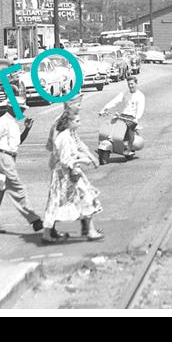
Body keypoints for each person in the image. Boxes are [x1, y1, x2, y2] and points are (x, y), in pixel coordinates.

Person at [42, 98, 104, 243]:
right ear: (69, 105)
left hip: (67, 168)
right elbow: (58, 149)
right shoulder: (60, 125)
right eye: (78, 104)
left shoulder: (70, 126)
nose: (80, 107)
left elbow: (77, 143)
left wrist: (88, 156)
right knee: (64, 199)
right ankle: (87, 230)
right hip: (64, 169)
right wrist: (79, 161)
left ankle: (87, 229)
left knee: (67, 199)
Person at [0, 104, 43, 234]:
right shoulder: (2, 121)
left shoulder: (13, 122)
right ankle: (35, 220)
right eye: (19, 108)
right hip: (3, 157)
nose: (22, 110)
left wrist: (27, 129)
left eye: (23, 108)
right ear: (9, 107)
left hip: (9, 157)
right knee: (18, 188)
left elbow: (18, 142)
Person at [99, 76, 146, 164]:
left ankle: (129, 148)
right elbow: (115, 100)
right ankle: (113, 141)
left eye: (132, 84)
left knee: (129, 128)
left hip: (132, 117)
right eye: (129, 84)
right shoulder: (125, 93)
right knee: (113, 122)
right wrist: (105, 108)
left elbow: (140, 108)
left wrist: (137, 118)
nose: (130, 86)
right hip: (123, 115)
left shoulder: (140, 96)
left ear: (136, 83)